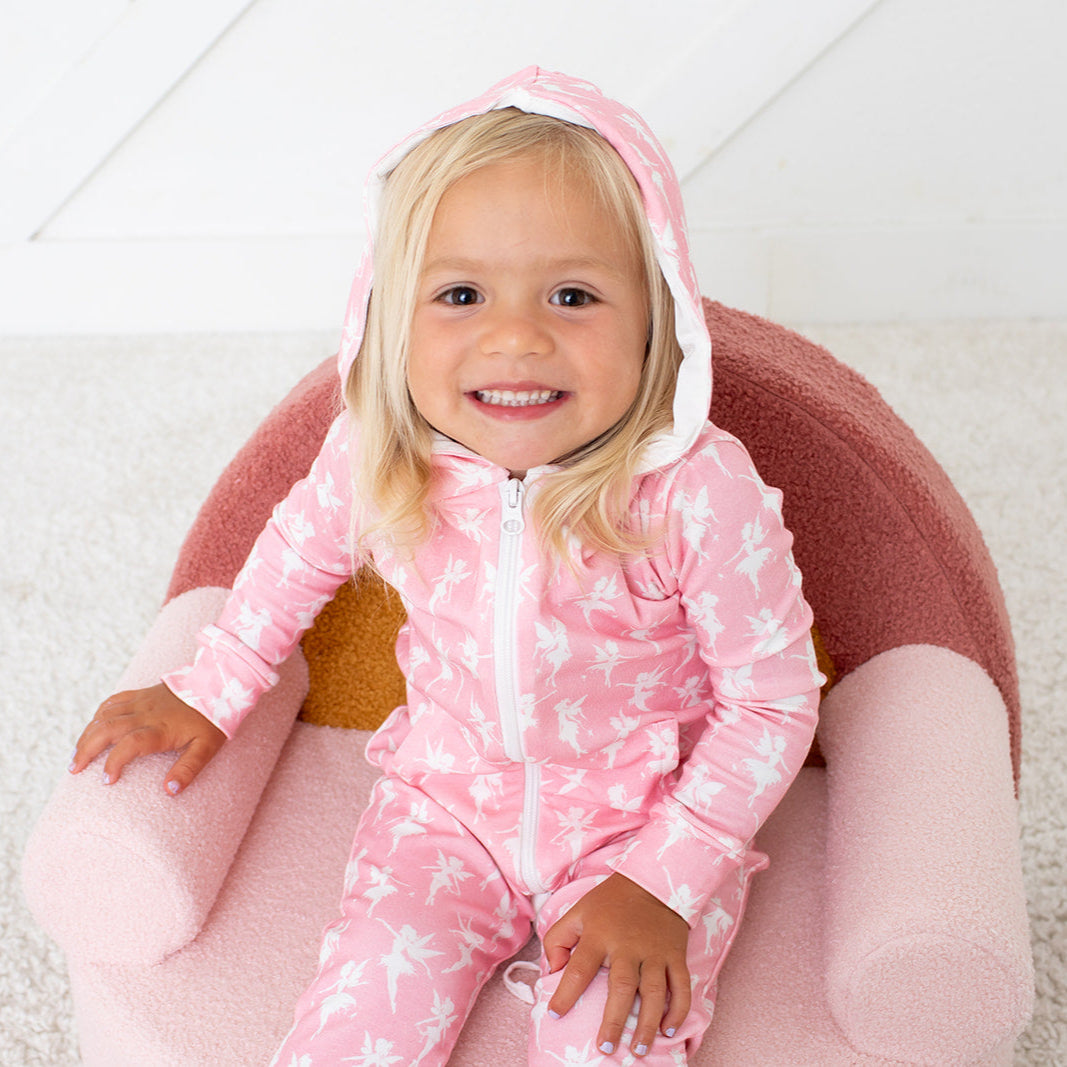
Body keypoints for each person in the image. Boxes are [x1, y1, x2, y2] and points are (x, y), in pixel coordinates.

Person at [70, 67, 823, 1065]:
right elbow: (292, 559)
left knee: (611, 1039)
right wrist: (210, 689)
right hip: (444, 809)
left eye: (573, 293)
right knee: (357, 1017)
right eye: (460, 293)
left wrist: (663, 878)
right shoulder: (380, 452)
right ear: (390, 313)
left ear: (657, 314)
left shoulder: (695, 489)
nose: (515, 335)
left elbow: (770, 701)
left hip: (640, 826)